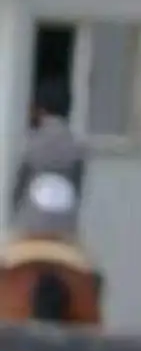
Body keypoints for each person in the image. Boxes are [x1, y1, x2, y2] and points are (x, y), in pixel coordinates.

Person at [9, 78, 87, 248]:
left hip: (31, 229)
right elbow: (77, 191)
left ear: (40, 109)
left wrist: (14, 216)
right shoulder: (77, 147)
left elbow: (18, 190)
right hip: (65, 230)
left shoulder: (31, 143)